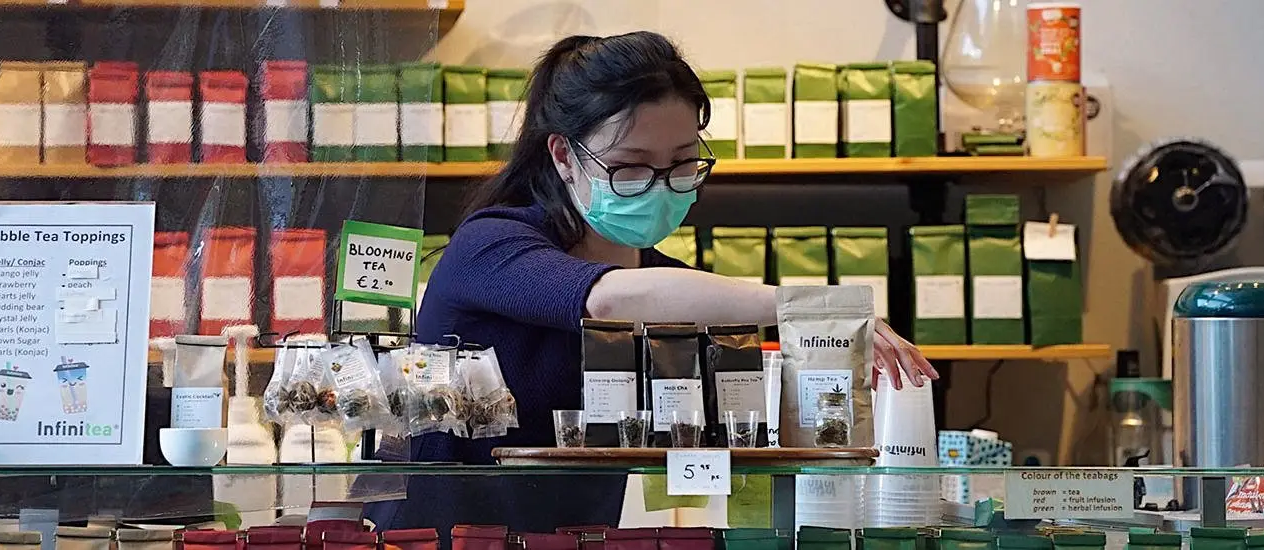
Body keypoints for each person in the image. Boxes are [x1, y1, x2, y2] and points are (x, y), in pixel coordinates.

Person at [367, 31, 938, 532]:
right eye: (631, 165)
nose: (660, 184)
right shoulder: (492, 245)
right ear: (564, 156)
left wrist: (830, 353)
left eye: (683, 162)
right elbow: (606, 299)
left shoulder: (675, 288)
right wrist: (810, 305)